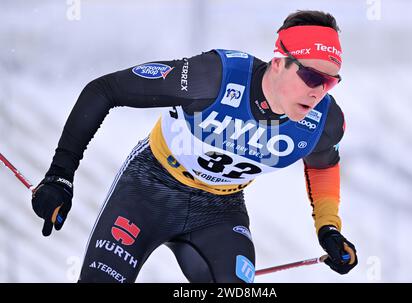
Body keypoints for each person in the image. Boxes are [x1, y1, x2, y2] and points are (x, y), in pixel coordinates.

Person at [31, 10, 358, 283]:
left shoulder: (324, 122)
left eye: (331, 82)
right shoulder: (213, 77)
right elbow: (104, 90)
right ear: (278, 63)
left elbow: (323, 163)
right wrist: (60, 175)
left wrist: (328, 227)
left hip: (219, 211)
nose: (319, 93)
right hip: (149, 190)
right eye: (313, 78)